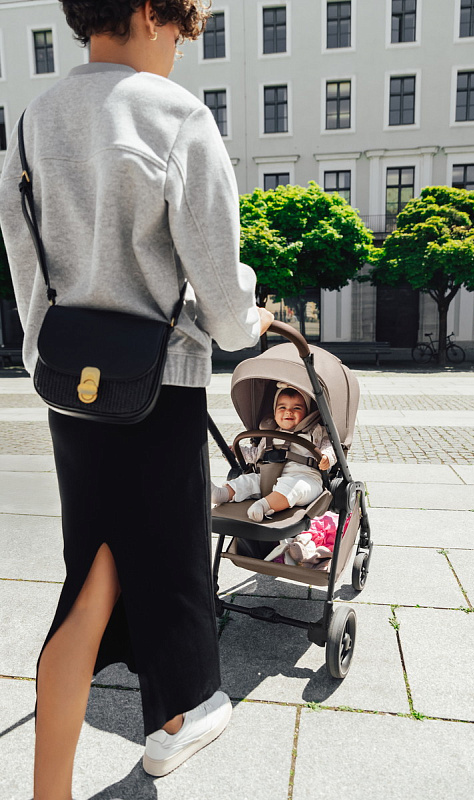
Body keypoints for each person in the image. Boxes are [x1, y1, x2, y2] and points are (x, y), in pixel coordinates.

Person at [0, 1, 274, 796]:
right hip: (159, 386)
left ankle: (52, 788)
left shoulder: (35, 120)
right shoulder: (175, 116)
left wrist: (44, 348)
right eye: (181, 32)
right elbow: (219, 293)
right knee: (168, 568)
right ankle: (179, 717)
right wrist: (250, 317)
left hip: (71, 388)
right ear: (154, 12)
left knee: (93, 574)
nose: (179, 50)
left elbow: (24, 258)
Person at [211, 385, 336, 521]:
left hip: (304, 478)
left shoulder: (316, 430)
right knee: (247, 480)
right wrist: (238, 452)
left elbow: (330, 446)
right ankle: (221, 494)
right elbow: (256, 455)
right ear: (274, 412)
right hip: (268, 478)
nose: (288, 412)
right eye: (282, 407)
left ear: (307, 412)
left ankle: (263, 505)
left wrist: (327, 457)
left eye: (297, 408)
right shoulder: (270, 433)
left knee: (296, 488)